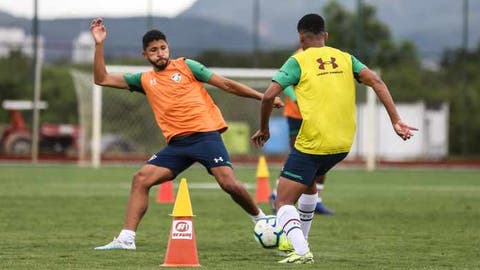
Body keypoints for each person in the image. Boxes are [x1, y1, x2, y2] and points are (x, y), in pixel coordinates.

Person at [89, 17, 283, 250]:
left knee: (228, 183)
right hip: (178, 146)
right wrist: (99, 44)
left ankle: (261, 219)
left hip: (206, 137)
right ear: (145, 55)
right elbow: (101, 78)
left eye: (163, 48)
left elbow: (227, 85)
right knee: (141, 179)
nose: (160, 53)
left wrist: (264, 98)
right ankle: (126, 239)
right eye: (153, 50)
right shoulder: (144, 80)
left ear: (168, 47)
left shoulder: (187, 66)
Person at [251, 14, 417, 264]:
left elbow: (267, 97)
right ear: (325, 36)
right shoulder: (346, 57)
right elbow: (377, 81)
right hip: (342, 145)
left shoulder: (298, 60)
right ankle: (301, 241)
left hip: (313, 142)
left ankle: (300, 249)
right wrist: (396, 120)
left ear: (300, 37)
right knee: (308, 184)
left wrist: (264, 128)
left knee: (283, 199)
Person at [270, 82, 335, 215]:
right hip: (296, 115)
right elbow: (285, 83)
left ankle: (317, 201)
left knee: (323, 154)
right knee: (296, 155)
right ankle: (276, 194)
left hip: (317, 116)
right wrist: (295, 99)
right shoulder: (297, 61)